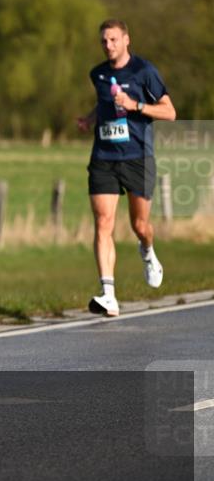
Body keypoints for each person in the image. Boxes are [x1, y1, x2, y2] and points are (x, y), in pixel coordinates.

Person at [77, 19, 176, 317]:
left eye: (113, 40)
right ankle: (108, 295)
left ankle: (147, 250)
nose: (108, 45)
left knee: (140, 226)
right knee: (103, 222)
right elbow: (105, 105)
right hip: (104, 157)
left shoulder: (144, 71)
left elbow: (170, 112)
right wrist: (90, 119)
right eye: (104, 41)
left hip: (137, 157)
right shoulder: (98, 74)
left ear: (126, 40)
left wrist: (137, 106)